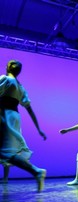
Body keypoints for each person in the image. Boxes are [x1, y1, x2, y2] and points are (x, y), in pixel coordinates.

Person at [0, 60, 47, 192]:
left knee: (5, 152)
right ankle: (36, 172)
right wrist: (38, 129)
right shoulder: (20, 87)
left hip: (5, 115)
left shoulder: (4, 79)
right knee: (6, 152)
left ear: (7, 67)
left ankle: (36, 171)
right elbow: (30, 110)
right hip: (14, 116)